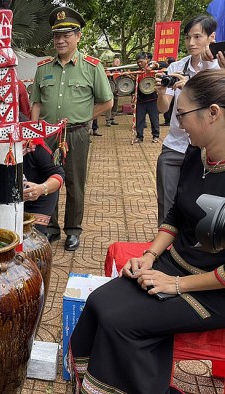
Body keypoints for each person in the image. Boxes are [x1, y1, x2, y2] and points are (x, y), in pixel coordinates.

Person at [69, 68, 225, 394]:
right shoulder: (197, 155)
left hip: (213, 289)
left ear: (213, 114)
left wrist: (177, 284)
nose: (177, 124)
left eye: (183, 115)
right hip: (175, 265)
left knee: (122, 324)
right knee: (99, 301)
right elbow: (176, 216)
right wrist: (150, 256)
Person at [30, 6, 113, 251]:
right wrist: (34, 133)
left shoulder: (91, 66)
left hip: (75, 134)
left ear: (78, 36)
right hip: (46, 136)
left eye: (67, 35)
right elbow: (36, 102)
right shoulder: (43, 68)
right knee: (47, 180)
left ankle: (73, 230)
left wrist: (84, 118)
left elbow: (107, 102)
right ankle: (50, 226)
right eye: (57, 35)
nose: (61, 40)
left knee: (75, 183)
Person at [156, 15, 218, 226]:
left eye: (198, 37)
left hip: (207, 149)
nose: (191, 43)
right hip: (175, 145)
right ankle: (163, 248)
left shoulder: (219, 69)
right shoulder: (176, 68)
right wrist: (161, 91)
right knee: (166, 201)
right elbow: (163, 108)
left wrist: (190, 87)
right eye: (187, 37)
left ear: (212, 38)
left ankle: (192, 246)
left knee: (201, 204)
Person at [0, 104, 64, 233]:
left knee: (29, 239)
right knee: (4, 235)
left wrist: (41, 188)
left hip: (39, 198)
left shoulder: (32, 145)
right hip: (9, 200)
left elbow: (58, 174)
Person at [133, 52, 160, 143]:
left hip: (153, 99)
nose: (139, 64)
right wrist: (134, 95)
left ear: (147, 59)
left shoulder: (154, 68)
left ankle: (156, 136)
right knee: (139, 119)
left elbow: (164, 64)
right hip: (141, 100)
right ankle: (139, 136)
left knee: (154, 119)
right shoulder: (137, 72)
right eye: (138, 62)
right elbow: (135, 86)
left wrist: (152, 66)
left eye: (141, 61)